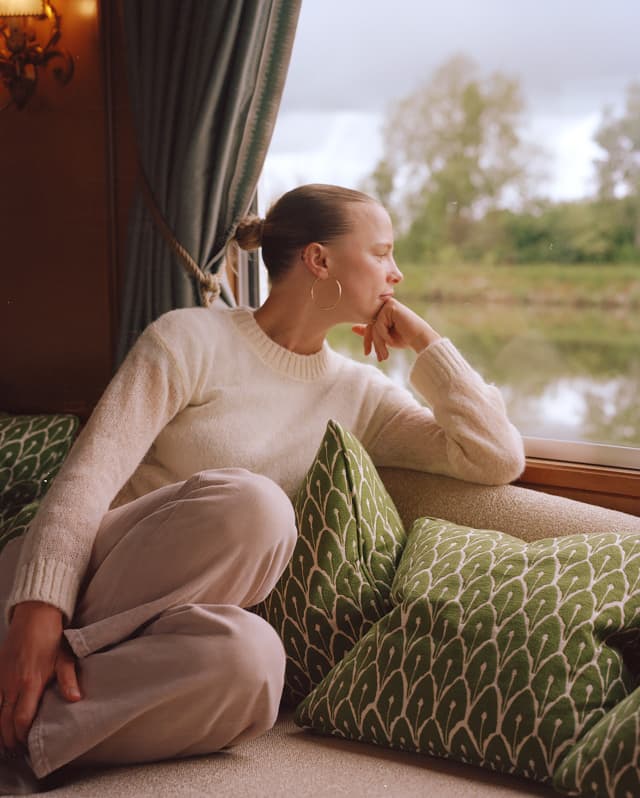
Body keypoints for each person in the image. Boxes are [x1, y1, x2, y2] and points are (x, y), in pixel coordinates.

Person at [0, 184, 525, 793]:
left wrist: (428, 345)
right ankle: (38, 662)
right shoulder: (189, 339)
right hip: (64, 590)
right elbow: (86, 478)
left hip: (163, 634)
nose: (396, 273)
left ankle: (21, 737)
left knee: (255, 663)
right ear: (318, 259)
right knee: (258, 509)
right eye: (382, 253)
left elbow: (495, 456)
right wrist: (40, 616)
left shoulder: (360, 396)